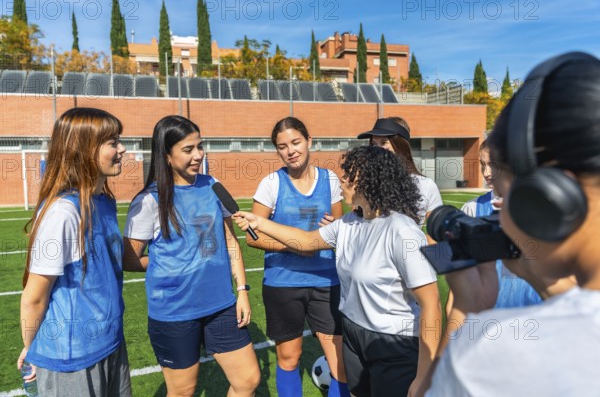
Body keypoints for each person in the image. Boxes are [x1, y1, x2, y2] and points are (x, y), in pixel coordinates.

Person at [426, 52, 600, 395]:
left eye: (508, 200)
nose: (501, 217)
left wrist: (469, 310)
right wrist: (546, 280)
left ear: (551, 194)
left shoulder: (494, 355)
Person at [235, 145, 442, 397]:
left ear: (370, 181)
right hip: (354, 334)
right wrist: (261, 222)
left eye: (349, 175)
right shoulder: (348, 222)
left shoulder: (403, 231)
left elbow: (431, 305)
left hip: (393, 342)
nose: (341, 179)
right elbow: (307, 240)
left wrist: (424, 375)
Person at [122, 116, 260, 397]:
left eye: (200, 146)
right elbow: (129, 259)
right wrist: (169, 263)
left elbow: (231, 242)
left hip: (221, 305)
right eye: (188, 150)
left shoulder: (213, 186)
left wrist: (242, 290)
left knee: (248, 380)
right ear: (166, 155)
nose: (198, 155)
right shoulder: (149, 200)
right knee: (183, 392)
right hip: (174, 312)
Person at [18, 107, 132, 396]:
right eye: (112, 142)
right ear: (84, 150)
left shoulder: (104, 202)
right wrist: (32, 350)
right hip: (70, 358)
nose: (123, 149)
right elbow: (34, 296)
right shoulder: (64, 213)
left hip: (110, 342)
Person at [246, 117, 348, 397]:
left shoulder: (330, 180)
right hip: (283, 284)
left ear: (309, 141)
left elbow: (340, 231)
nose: (290, 150)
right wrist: (295, 246)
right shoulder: (271, 183)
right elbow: (253, 236)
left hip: (326, 281)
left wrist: (330, 233)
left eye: (295, 142)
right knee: (289, 358)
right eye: (282, 146)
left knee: (338, 361)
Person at [449, 139, 542, 311]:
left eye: (492, 164)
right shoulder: (473, 208)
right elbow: (463, 266)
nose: (486, 172)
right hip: (488, 311)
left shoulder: (539, 207)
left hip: (533, 308)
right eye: (483, 165)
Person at [357, 116, 443, 229]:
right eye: (374, 144)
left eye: (384, 143)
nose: (376, 149)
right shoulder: (366, 182)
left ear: (400, 145)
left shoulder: (426, 184)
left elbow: (438, 233)